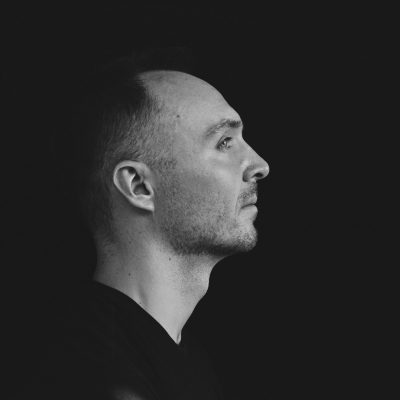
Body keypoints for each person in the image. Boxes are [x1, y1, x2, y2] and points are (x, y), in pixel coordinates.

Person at [15, 50, 269, 399]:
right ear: (138, 186)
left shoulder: (182, 358)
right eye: (224, 142)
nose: (259, 164)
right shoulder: (95, 378)